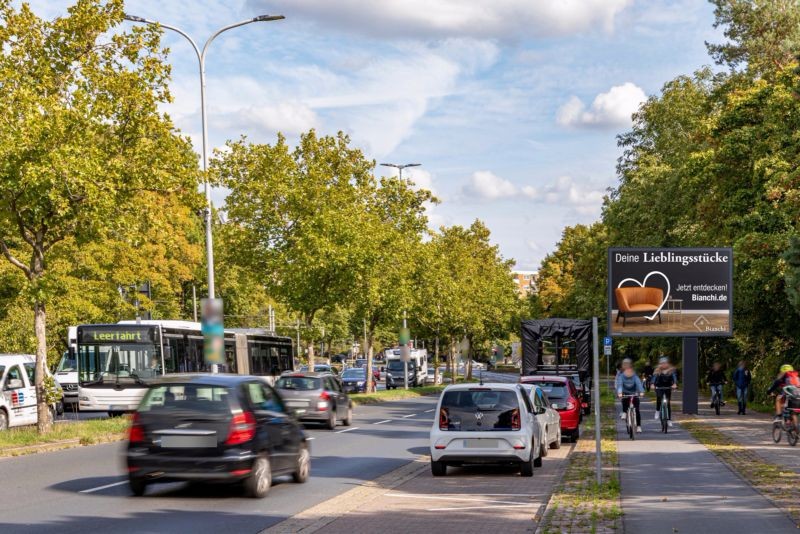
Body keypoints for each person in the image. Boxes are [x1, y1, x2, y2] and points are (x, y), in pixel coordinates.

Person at [617, 364, 645, 433]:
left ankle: (638, 426)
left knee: (637, 410)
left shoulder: (635, 377)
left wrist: (641, 392)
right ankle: (624, 412)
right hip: (625, 393)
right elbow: (620, 385)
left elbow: (639, 384)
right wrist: (620, 392)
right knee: (624, 400)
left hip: (634, 393)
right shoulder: (621, 377)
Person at [651, 355, 678, 427]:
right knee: (659, 398)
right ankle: (657, 411)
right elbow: (654, 377)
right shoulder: (657, 370)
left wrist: (674, 384)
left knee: (668, 403)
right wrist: (653, 384)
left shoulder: (671, 370)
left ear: (667, 363)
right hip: (659, 387)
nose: (663, 364)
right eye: (662, 363)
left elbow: (674, 377)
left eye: (665, 363)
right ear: (660, 364)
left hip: (668, 387)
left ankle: (669, 419)